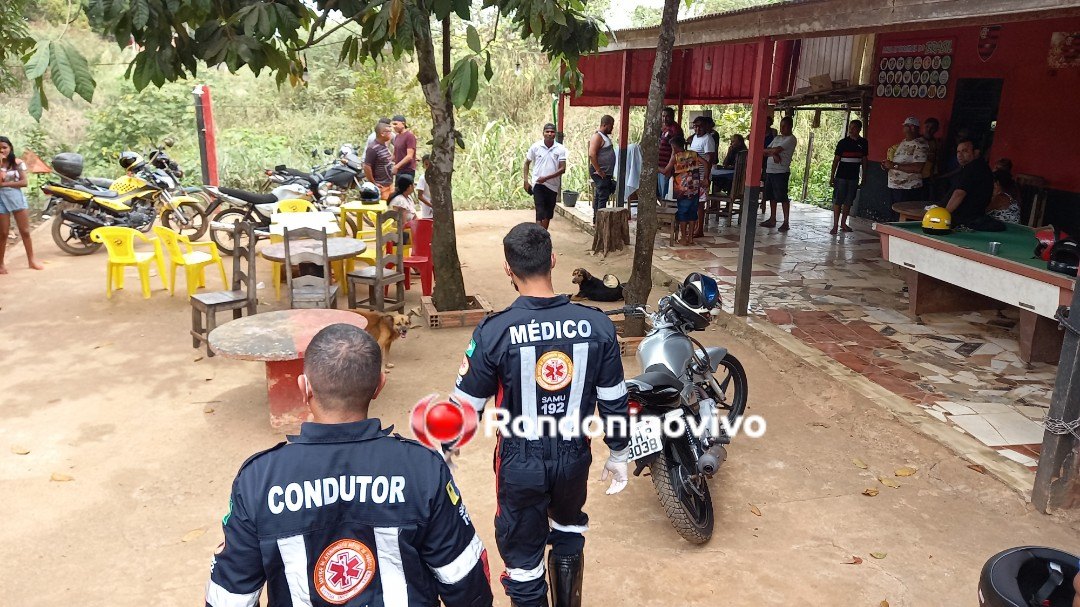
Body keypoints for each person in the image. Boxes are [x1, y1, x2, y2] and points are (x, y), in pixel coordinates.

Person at [205, 324, 493, 607]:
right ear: (379, 385)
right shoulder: (423, 469)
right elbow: (465, 582)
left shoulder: (258, 480)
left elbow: (230, 597)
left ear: (304, 387)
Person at [449, 223, 629, 607]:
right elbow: (613, 398)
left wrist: (445, 450)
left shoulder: (495, 332)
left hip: (519, 463)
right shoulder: (598, 325)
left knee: (523, 560)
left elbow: (465, 408)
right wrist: (618, 451)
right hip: (574, 456)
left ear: (507, 268)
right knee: (568, 529)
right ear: (553, 260)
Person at [0, 136, 44, 273]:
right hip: (1, 200)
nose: (2, 150)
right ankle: (1, 264)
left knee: (25, 231)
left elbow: (24, 182)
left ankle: (31, 260)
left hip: (16, 198)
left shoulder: (17, 163)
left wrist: (5, 184)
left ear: (10, 148)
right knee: (3, 233)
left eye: (4, 147)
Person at [664, 134, 707, 246]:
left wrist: (654, 167)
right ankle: (691, 238)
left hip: (682, 190)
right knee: (692, 213)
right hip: (694, 188)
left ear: (674, 147)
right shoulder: (693, 154)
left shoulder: (676, 157)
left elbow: (665, 171)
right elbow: (706, 163)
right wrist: (706, 178)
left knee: (682, 213)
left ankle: (683, 237)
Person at [523, 123, 567, 230]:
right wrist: (525, 181)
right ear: (543, 133)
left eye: (552, 132)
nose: (549, 134)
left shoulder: (560, 149)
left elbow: (562, 169)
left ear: (555, 134)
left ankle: (543, 234)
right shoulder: (536, 147)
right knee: (540, 211)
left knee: (548, 213)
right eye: (547, 132)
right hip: (538, 184)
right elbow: (527, 163)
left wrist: (546, 178)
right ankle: (539, 235)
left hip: (552, 186)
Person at [829, 119, 868, 235]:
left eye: (854, 127)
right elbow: (836, 160)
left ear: (859, 129)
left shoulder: (863, 143)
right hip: (841, 176)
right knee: (838, 200)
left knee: (849, 201)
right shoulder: (843, 142)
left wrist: (864, 177)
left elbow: (864, 160)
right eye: (850, 127)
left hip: (854, 177)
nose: (851, 129)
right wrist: (832, 176)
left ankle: (843, 223)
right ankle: (835, 225)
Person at [943, 140, 994, 228]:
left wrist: (943, 216)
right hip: (970, 218)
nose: (959, 155)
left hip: (963, 220)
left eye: (965, 151)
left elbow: (959, 194)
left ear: (976, 152)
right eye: (958, 151)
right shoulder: (977, 167)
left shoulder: (973, 167)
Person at [759, 116, 798, 232]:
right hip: (770, 170)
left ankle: (786, 222)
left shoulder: (791, 139)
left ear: (790, 126)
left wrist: (773, 152)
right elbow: (764, 150)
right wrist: (773, 154)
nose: (782, 128)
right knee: (771, 196)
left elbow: (776, 149)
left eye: (784, 126)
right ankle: (772, 218)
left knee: (782, 197)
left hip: (781, 171)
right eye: (781, 126)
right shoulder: (777, 138)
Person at [882, 117, 929, 204]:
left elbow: (918, 168)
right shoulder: (904, 142)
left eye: (905, 125)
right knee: (894, 211)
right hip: (896, 186)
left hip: (908, 188)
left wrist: (893, 165)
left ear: (912, 127)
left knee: (904, 211)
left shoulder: (920, 144)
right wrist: (887, 166)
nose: (903, 128)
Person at [587, 115, 616, 213]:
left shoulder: (605, 137)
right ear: (604, 125)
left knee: (600, 195)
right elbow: (592, 154)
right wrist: (598, 170)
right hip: (600, 171)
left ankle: (597, 217)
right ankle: (600, 217)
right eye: (611, 126)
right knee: (603, 195)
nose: (612, 128)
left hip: (605, 172)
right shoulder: (597, 137)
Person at [657, 107, 683, 200]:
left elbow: (675, 149)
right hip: (660, 165)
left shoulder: (675, 129)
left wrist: (670, 166)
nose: (665, 118)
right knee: (661, 193)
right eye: (663, 116)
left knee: (666, 195)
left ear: (672, 116)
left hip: (668, 166)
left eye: (667, 116)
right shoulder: (664, 128)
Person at [364, 121, 395, 199]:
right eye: (389, 132)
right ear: (382, 133)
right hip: (381, 186)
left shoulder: (384, 145)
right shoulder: (372, 148)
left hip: (389, 184)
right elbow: (367, 167)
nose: (391, 134)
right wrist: (373, 183)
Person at [390, 114, 417, 180]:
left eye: (395, 124)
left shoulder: (409, 136)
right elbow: (395, 155)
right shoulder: (397, 136)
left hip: (407, 170)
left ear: (403, 124)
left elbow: (409, 156)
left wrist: (396, 166)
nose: (394, 126)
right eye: (393, 124)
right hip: (399, 170)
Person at [921, 117, 941, 198]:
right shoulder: (917, 141)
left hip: (928, 176)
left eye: (932, 128)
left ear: (936, 129)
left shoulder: (936, 143)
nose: (929, 130)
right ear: (923, 127)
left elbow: (936, 160)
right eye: (927, 126)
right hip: (915, 175)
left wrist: (934, 175)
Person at [415, 154, 433, 220]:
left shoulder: (437, 178)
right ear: (423, 165)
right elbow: (420, 196)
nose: (429, 166)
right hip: (427, 209)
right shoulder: (422, 178)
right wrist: (431, 205)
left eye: (430, 164)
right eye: (426, 164)